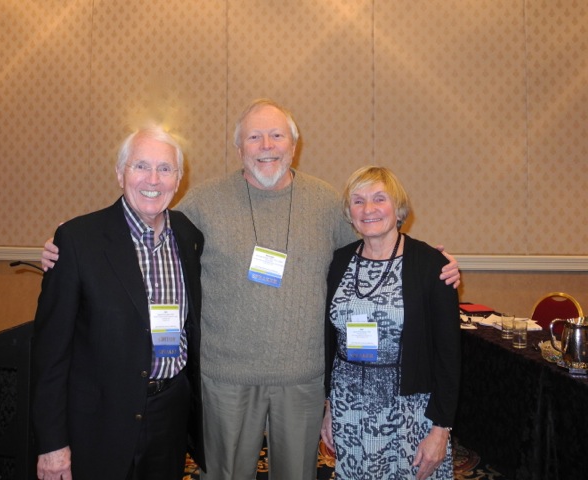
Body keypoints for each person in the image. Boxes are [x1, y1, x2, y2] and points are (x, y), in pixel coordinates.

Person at [41, 99, 460, 480]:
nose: (266, 145)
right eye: (254, 136)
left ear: (294, 145)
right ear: (238, 147)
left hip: (302, 380)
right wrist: (62, 253)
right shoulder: (202, 204)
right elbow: (147, 221)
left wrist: (428, 262)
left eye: (277, 135)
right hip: (226, 380)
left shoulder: (326, 202)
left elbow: (372, 242)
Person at [31, 126, 205, 480]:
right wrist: (52, 443)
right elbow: (50, 353)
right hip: (100, 420)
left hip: (169, 414)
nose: (153, 179)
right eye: (140, 166)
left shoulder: (188, 235)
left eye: (165, 168)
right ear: (119, 173)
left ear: (179, 178)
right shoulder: (78, 240)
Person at [321, 166, 460, 480]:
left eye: (379, 199)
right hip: (349, 407)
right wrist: (330, 407)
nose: (368, 209)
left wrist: (440, 431)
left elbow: (448, 356)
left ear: (398, 209)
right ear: (349, 212)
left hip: (410, 411)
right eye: (358, 201)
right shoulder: (339, 261)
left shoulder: (430, 265)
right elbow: (330, 342)